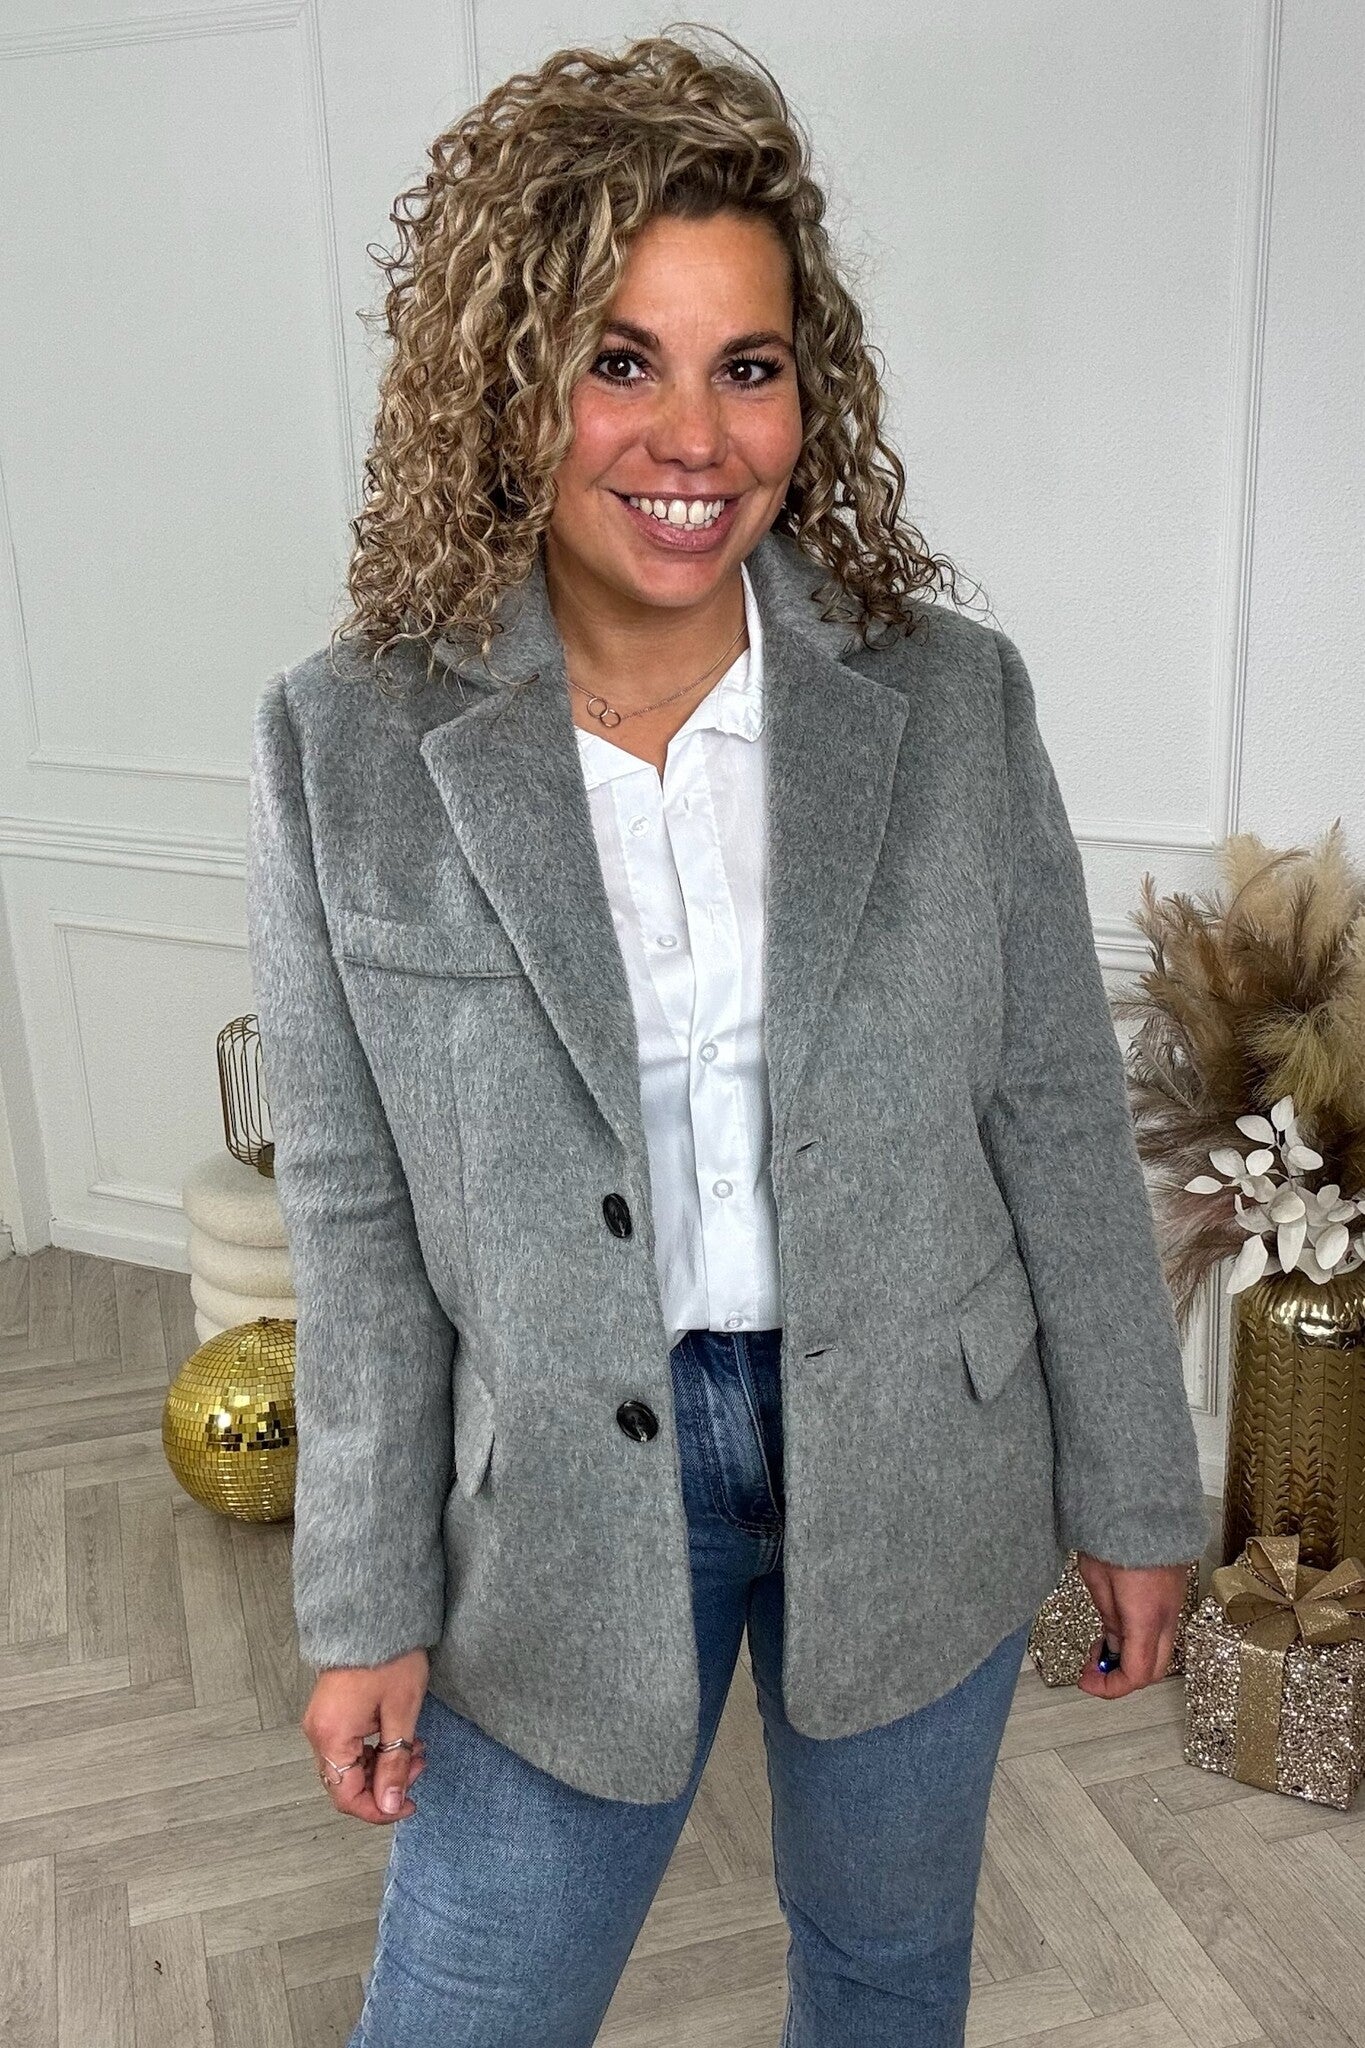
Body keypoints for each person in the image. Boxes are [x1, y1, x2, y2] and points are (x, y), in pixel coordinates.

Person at [244, 29, 1209, 2048]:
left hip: (922, 1449)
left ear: (806, 392)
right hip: (558, 1502)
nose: (693, 438)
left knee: (881, 1971)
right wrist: (362, 1603)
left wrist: (1137, 1488)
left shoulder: (950, 703)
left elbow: (1051, 1110)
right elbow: (353, 1216)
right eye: (622, 359)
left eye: (745, 366)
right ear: (506, 381)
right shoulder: (349, 740)